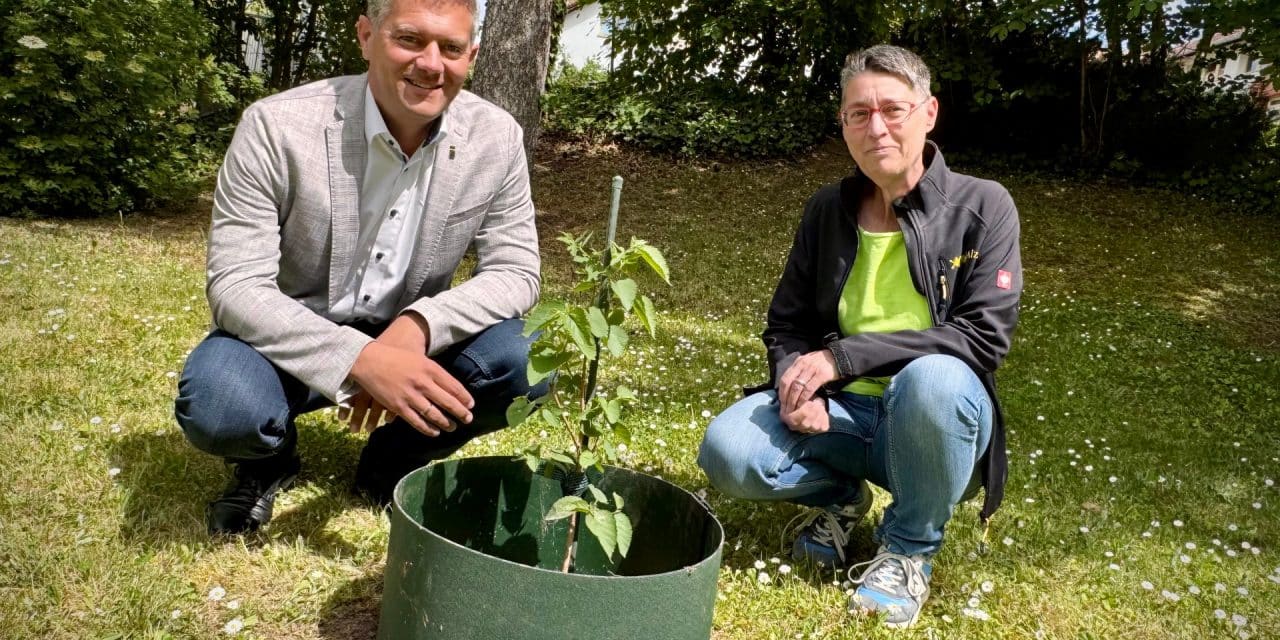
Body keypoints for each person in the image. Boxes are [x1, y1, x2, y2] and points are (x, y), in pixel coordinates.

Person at [174, 0, 546, 536]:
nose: (431, 63)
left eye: (451, 48)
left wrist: (416, 329)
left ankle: (393, 461)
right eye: (410, 40)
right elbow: (236, 284)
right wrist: (361, 359)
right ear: (367, 36)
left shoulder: (498, 137)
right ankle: (267, 462)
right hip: (293, 331)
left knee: (529, 357)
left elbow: (516, 272)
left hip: (412, 335)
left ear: (473, 55)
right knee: (220, 404)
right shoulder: (276, 127)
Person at [697, 45, 1021, 628]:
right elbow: (788, 324)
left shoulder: (983, 205)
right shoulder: (829, 209)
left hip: (931, 424)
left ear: (929, 113)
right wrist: (802, 385)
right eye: (858, 114)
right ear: (843, 125)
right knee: (729, 451)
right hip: (843, 416)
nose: (876, 128)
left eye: (893, 110)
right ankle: (841, 500)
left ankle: (908, 550)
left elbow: (981, 339)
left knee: (934, 379)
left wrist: (842, 357)